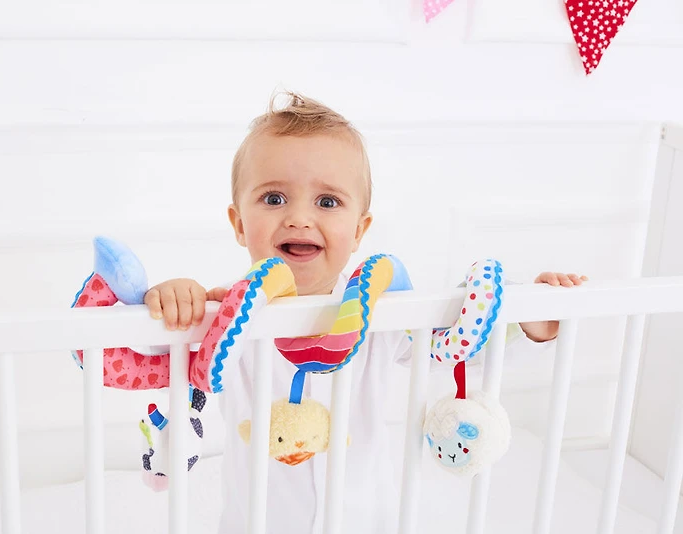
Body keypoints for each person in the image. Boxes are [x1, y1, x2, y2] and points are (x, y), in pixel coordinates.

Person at [144, 92, 587, 533]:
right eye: (274, 199)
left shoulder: (381, 312)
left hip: (364, 521)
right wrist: (171, 299)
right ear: (239, 223)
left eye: (328, 202)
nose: (299, 217)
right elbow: (148, 350)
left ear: (359, 231)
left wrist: (531, 324)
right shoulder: (225, 319)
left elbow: (459, 349)